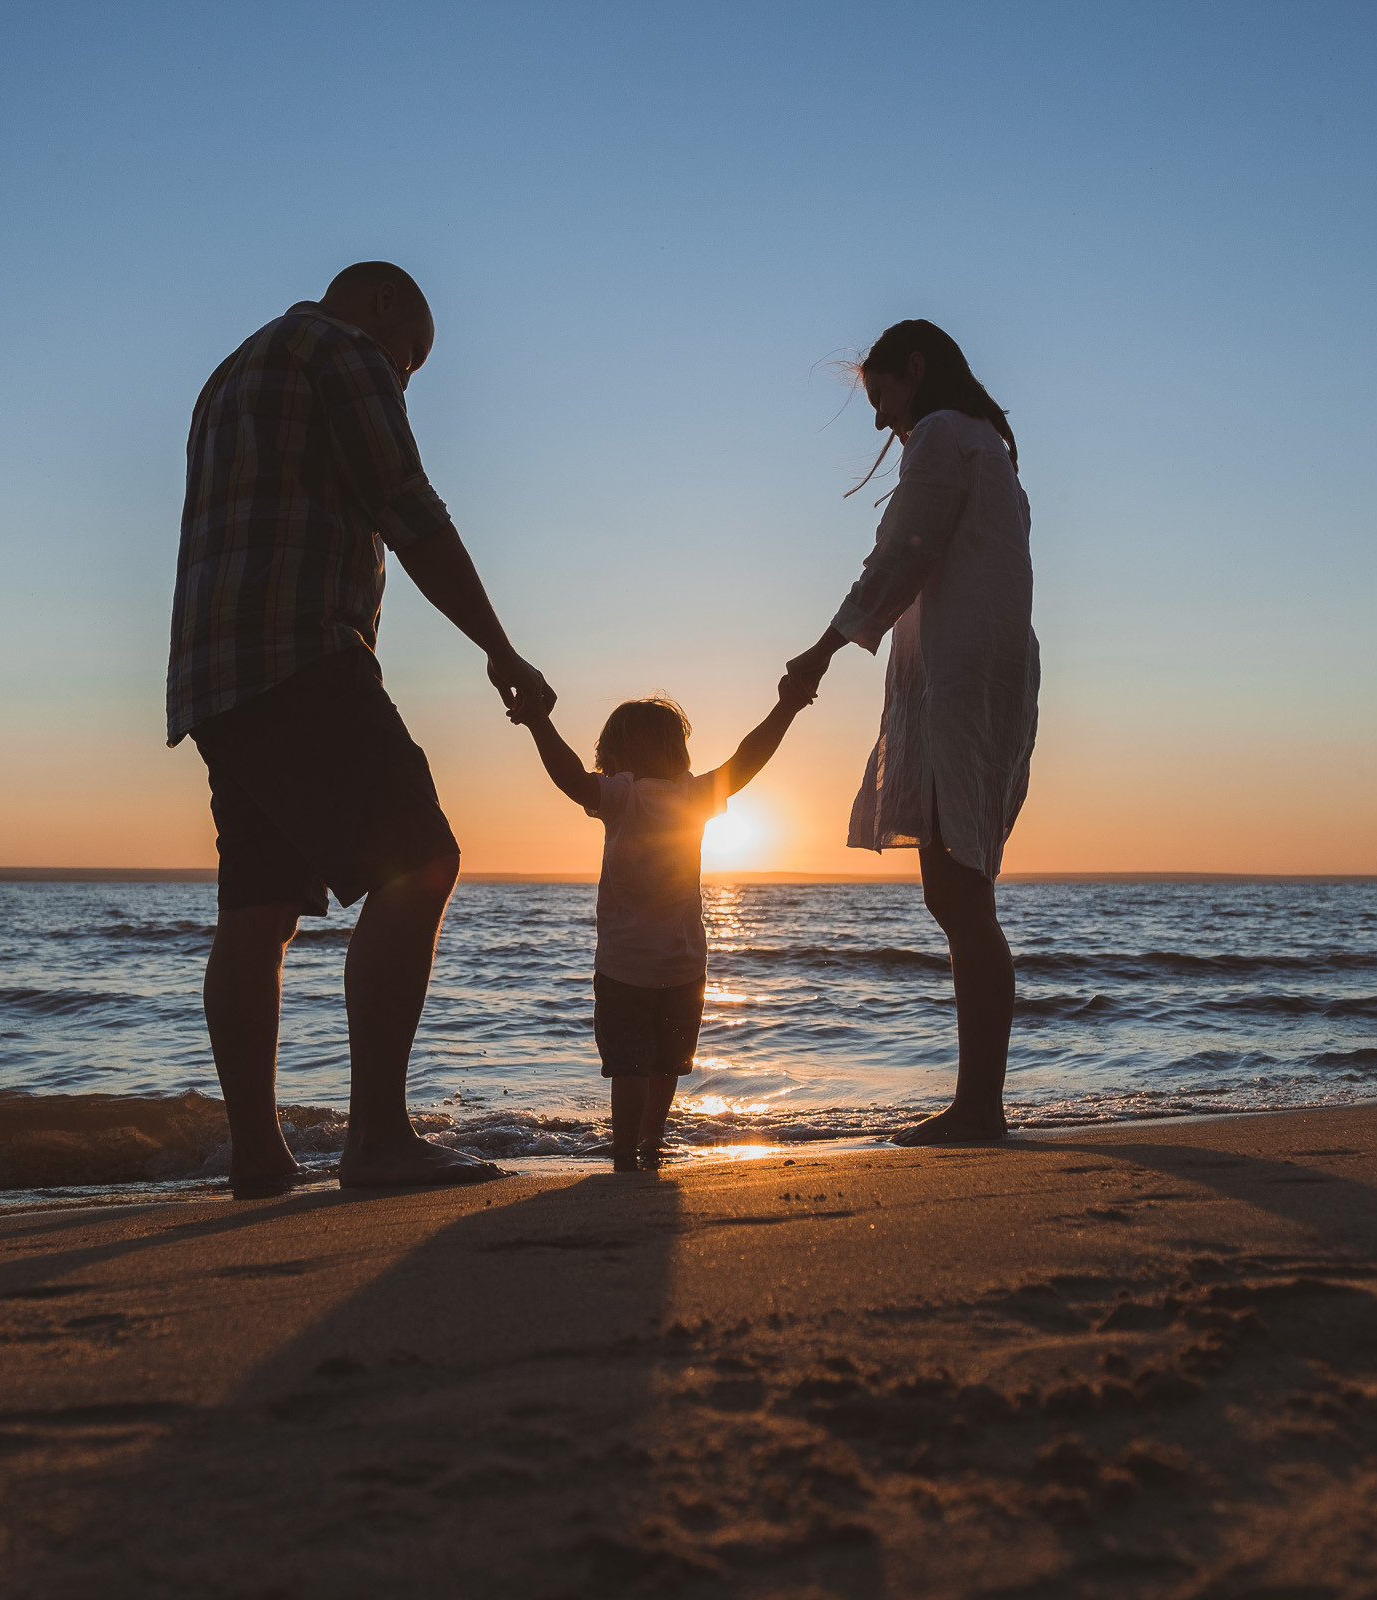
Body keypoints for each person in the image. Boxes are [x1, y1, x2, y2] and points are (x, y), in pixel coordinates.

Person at [167, 262, 554, 1194]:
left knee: (257, 913)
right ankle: (379, 1140)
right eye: (411, 360)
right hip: (300, 652)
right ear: (384, 304)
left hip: (216, 678)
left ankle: (259, 1157)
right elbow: (408, 507)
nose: (405, 376)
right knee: (421, 859)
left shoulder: (228, 374)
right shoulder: (343, 349)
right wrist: (502, 651)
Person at [782, 319, 1039, 1146]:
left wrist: (821, 649)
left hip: (959, 687)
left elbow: (901, 555)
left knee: (961, 894)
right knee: (961, 893)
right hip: (983, 680)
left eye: (883, 393)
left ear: (916, 372)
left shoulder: (941, 437)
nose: (880, 418)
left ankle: (979, 1108)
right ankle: (980, 1103)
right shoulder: (988, 447)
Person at [513, 684, 812, 1167]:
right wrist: (786, 705)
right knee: (667, 1062)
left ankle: (626, 1148)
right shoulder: (693, 796)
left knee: (629, 1064)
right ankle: (651, 1138)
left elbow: (570, 778)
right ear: (678, 750)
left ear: (615, 753)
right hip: (685, 962)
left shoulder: (623, 795)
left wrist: (537, 722)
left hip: (624, 965)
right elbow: (747, 760)